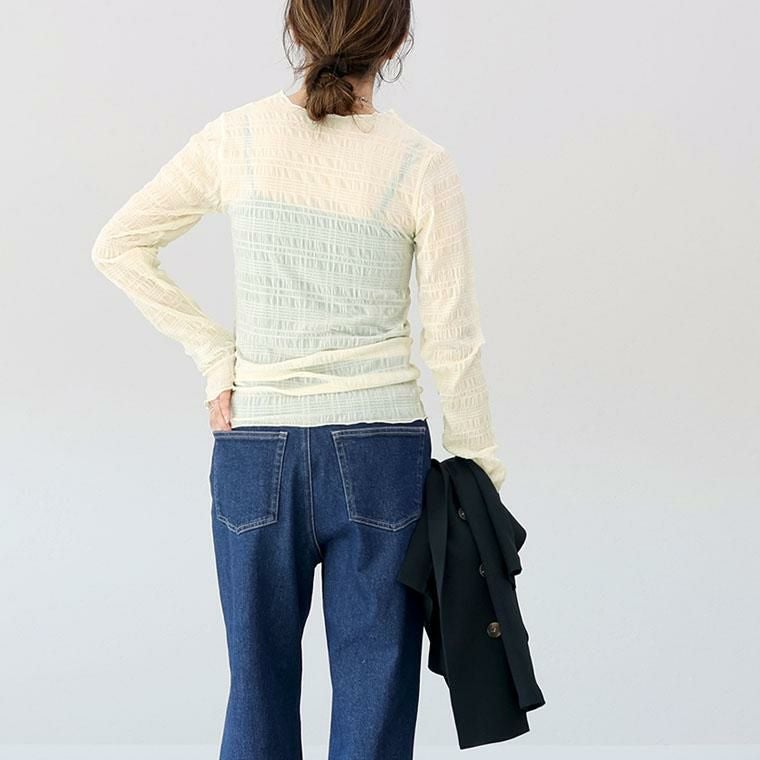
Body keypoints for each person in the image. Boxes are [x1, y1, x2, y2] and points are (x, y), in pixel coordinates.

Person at [91, 1, 507, 757]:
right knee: (377, 700)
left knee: (256, 690)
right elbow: (453, 339)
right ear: (397, 40)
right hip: (382, 459)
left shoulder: (239, 138)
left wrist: (217, 358)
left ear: (296, 30)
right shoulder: (421, 164)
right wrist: (479, 473)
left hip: (257, 449)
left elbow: (117, 246)